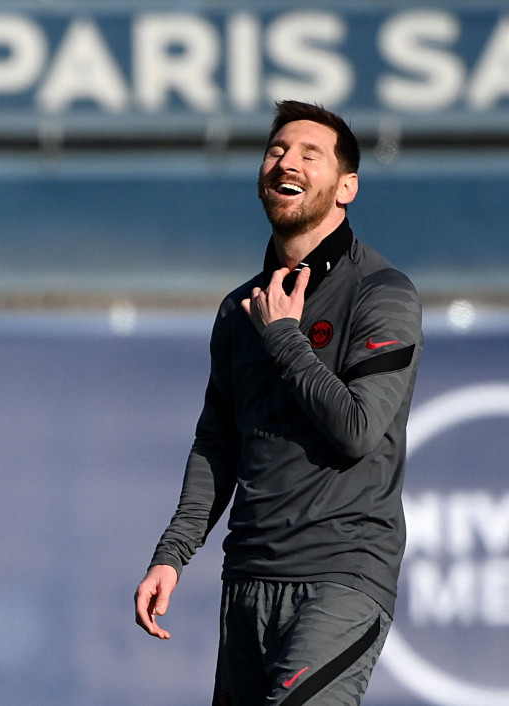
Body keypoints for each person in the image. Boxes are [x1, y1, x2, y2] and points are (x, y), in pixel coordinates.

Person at [134, 101, 422, 705]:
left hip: (342, 576)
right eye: (276, 150)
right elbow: (218, 445)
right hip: (247, 580)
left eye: (309, 155)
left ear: (346, 187)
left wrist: (286, 339)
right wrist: (172, 555)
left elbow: (357, 428)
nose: (287, 162)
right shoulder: (239, 308)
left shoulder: (383, 293)